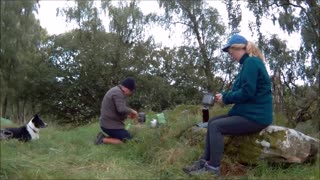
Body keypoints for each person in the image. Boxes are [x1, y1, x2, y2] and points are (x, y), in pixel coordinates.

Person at [183, 34, 273, 176]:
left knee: (216, 126)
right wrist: (224, 96)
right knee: (212, 121)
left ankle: (213, 169)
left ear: (239, 49)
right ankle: (203, 162)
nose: (232, 57)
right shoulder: (247, 65)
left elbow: (247, 93)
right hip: (248, 113)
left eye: (232, 53)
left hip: (256, 116)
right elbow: (238, 90)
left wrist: (227, 97)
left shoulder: (251, 63)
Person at [95, 77, 138, 145]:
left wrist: (127, 115)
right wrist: (132, 111)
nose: (130, 94)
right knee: (129, 141)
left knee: (128, 136)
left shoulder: (117, 90)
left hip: (108, 124)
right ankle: (103, 140)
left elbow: (117, 110)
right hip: (109, 126)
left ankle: (103, 137)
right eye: (131, 92)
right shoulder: (118, 93)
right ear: (127, 89)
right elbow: (121, 109)